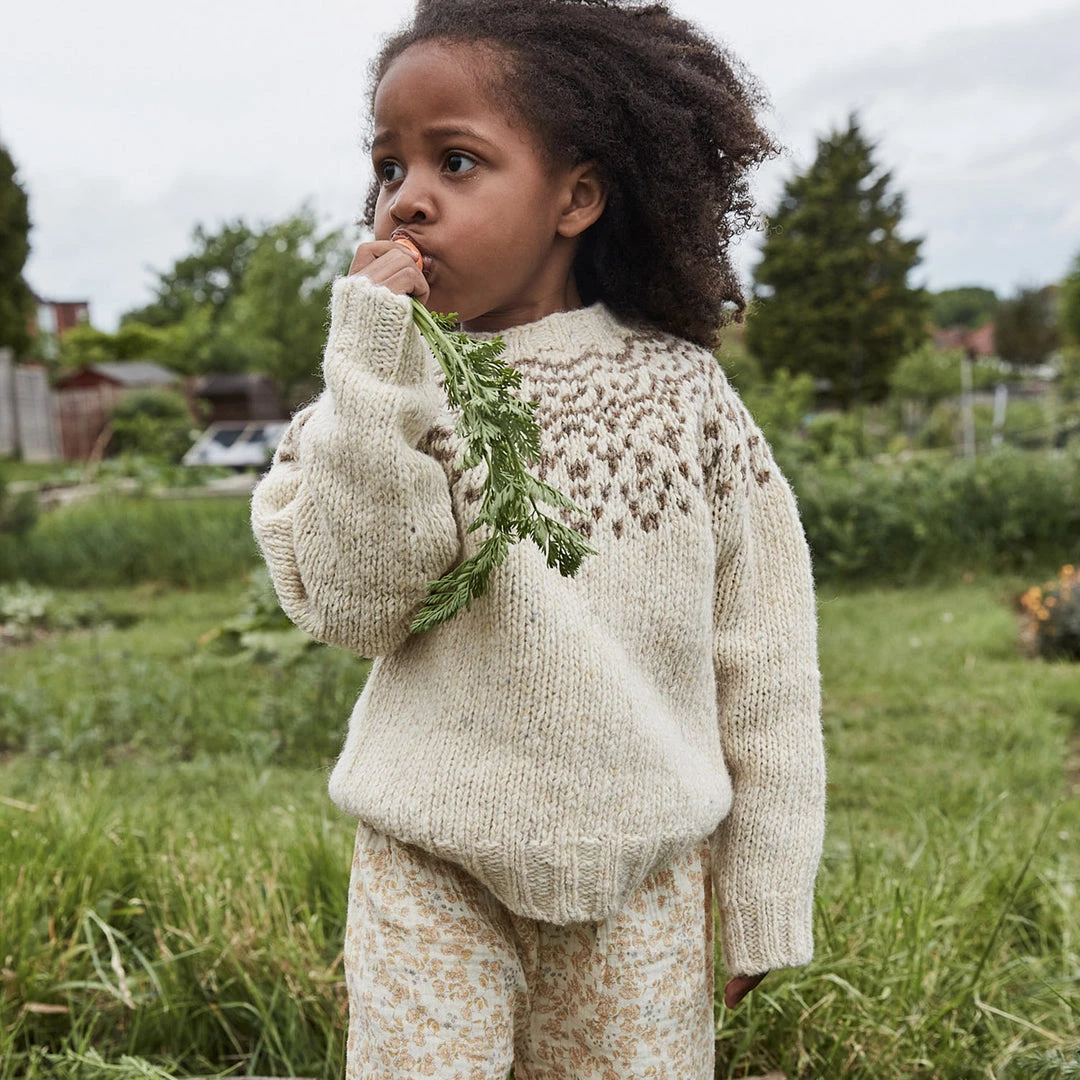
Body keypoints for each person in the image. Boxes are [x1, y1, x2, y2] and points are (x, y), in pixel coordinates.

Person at [250, 1, 826, 1076]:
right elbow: (356, 602)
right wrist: (374, 373)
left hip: (643, 881)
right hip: (428, 867)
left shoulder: (682, 397)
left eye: (456, 161)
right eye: (387, 166)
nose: (406, 198)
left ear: (577, 197)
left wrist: (763, 889)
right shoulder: (373, 390)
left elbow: (766, 658)